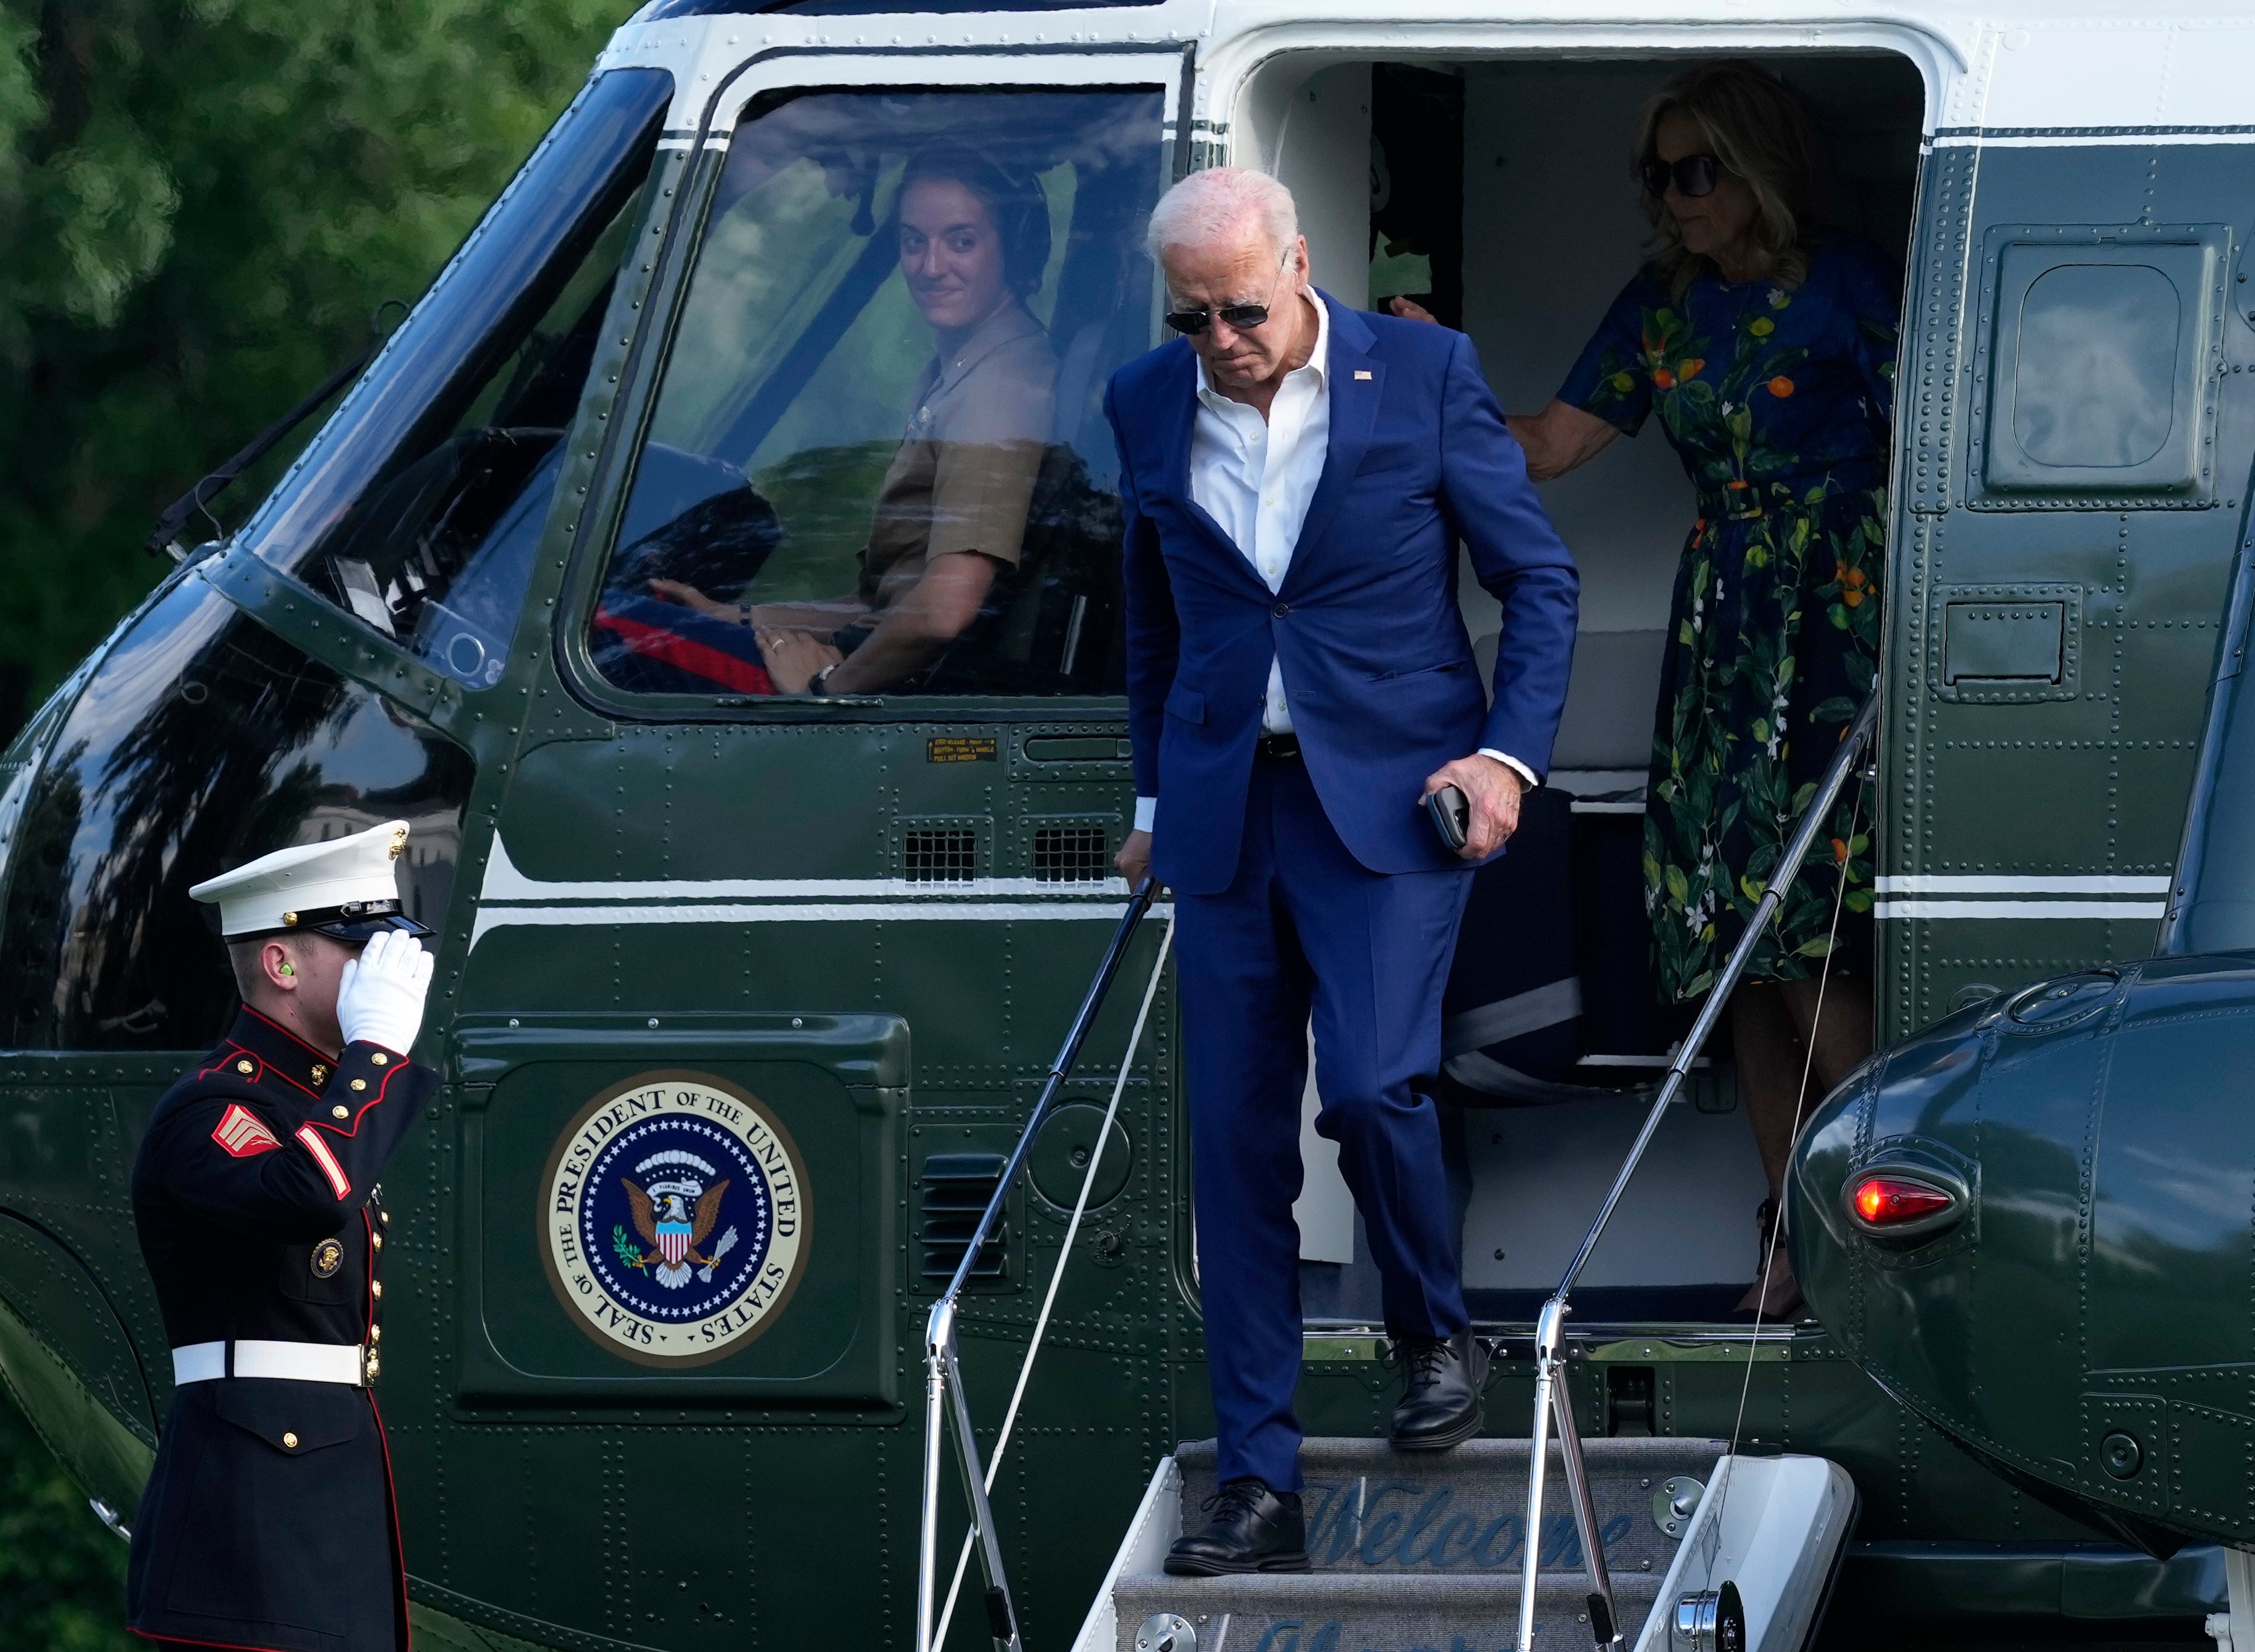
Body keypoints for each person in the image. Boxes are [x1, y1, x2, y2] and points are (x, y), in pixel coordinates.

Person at [1111, 167, 1577, 1574]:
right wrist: (1147, 794)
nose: (1222, 340)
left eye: (1242, 309)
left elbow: (1538, 580)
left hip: (1389, 803)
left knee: (1375, 1086)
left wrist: (1506, 760)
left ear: (1301, 266)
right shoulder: (1147, 399)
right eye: (1192, 318)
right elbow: (1152, 616)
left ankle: (1433, 1323)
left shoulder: (1424, 372)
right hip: (1220, 813)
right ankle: (1258, 1481)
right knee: (1234, 1152)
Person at [1394, 62, 1893, 1320]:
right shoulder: (1665, 304)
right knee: (1731, 936)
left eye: (1692, 170)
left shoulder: (1845, 281)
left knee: (1810, 935)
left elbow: (1926, 453)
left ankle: (1884, 1236)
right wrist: (1429, 375)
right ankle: (1789, 1239)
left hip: (1834, 616)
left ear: (1754, 165)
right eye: (1655, 175)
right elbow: (1552, 446)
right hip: (1724, 621)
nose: (1670, 199)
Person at [123, 821, 440, 1652]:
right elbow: (306, 1195)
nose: (382, 971)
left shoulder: (307, 1109)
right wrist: (373, 1053)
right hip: (251, 1510)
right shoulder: (212, 1109)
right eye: (358, 948)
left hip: (316, 1489)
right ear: (282, 962)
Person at [630, 145, 1058, 694]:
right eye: (912, 241)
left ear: (1014, 250)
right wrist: (734, 617)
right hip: (870, 658)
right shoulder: (956, 368)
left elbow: (942, 611)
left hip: (883, 684)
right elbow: (883, 606)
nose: (930, 267)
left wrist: (823, 690)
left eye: (962, 241)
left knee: (612, 628)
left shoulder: (996, 387)